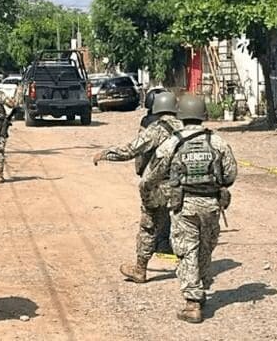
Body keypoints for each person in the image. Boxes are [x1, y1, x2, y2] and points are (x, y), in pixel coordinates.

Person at [143, 94, 237, 324]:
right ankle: (201, 286)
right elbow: (230, 174)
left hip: (184, 206)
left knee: (187, 251)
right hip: (211, 206)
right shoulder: (217, 141)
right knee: (205, 248)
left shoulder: (172, 143)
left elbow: (153, 173)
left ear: (181, 115)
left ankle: (192, 302)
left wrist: (149, 190)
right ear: (203, 115)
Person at [93, 91, 182, 283]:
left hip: (158, 189)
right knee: (186, 227)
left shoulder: (157, 128)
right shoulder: (187, 128)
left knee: (148, 227)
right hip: (183, 189)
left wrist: (106, 154)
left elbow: (131, 150)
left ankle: (140, 270)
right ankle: (192, 269)